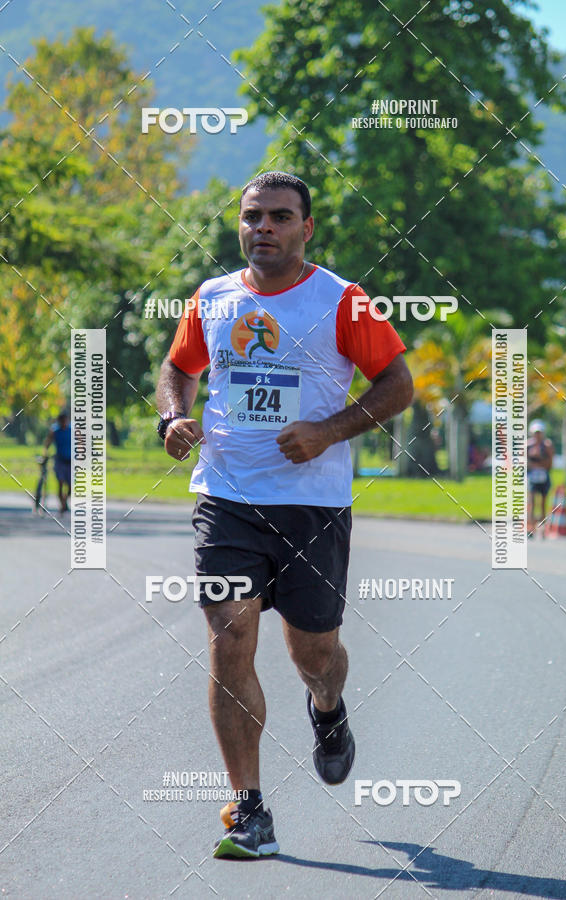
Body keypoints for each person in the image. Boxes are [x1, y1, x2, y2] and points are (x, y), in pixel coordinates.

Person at [155, 171, 413, 859]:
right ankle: (250, 809)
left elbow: (398, 384)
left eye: (278, 216)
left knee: (315, 653)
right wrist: (172, 416)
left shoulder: (344, 302)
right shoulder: (212, 298)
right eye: (251, 216)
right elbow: (177, 367)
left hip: (312, 507)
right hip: (226, 499)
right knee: (228, 636)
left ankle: (328, 710)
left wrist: (329, 430)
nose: (262, 227)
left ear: (306, 228)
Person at [527, 419, 554, 537]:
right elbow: (524, 462)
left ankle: (543, 528)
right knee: (531, 502)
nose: (538, 435)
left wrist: (538, 463)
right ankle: (531, 528)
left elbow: (550, 463)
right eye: (536, 433)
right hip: (532, 477)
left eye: (539, 433)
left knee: (543, 503)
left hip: (543, 476)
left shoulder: (547, 445)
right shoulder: (528, 445)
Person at [44, 410, 71, 513]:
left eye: (65, 421)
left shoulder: (72, 430)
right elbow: (48, 443)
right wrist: (45, 454)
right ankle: (62, 504)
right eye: (62, 421)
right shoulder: (55, 431)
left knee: (70, 485)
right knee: (60, 482)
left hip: (71, 461)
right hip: (60, 460)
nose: (64, 423)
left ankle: (65, 500)